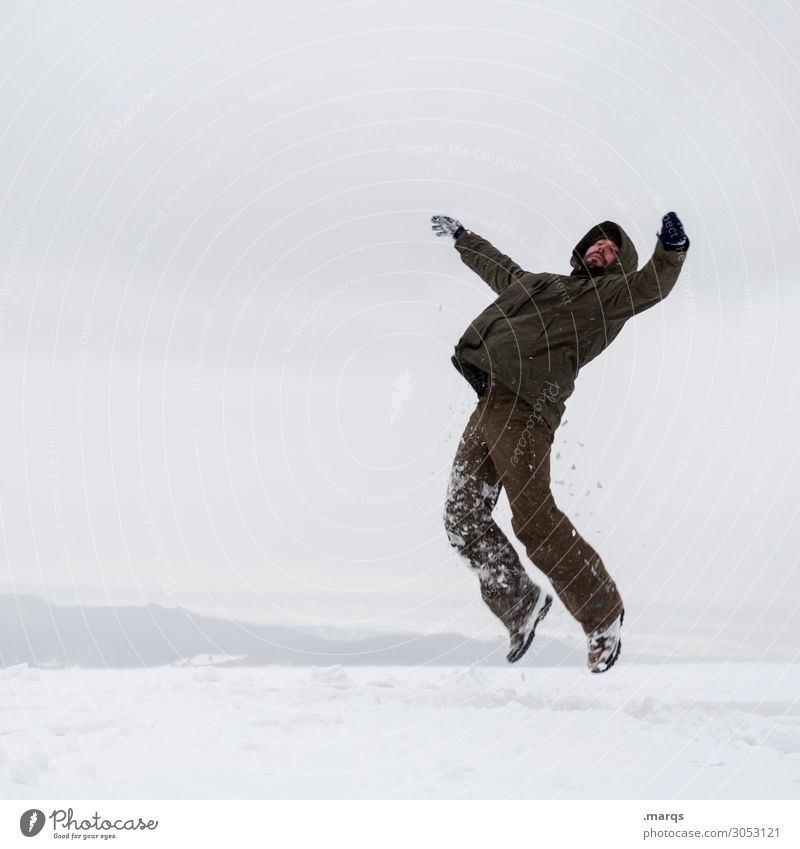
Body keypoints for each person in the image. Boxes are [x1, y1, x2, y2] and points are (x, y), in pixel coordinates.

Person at [434, 212, 690, 672]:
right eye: (597, 244)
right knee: (461, 516)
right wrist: (463, 238)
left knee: (533, 519)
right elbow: (500, 268)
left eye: (612, 251)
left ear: (618, 265)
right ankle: (520, 604)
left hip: (530, 408)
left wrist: (671, 250)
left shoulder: (608, 297)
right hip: (490, 401)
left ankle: (602, 616)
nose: (601, 250)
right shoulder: (540, 284)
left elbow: (650, 284)